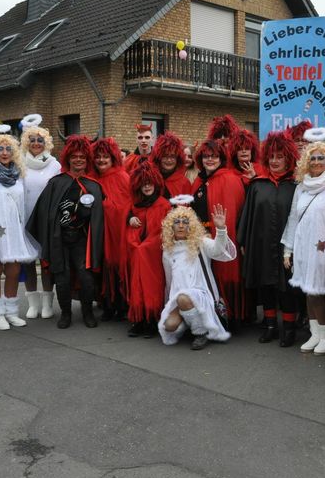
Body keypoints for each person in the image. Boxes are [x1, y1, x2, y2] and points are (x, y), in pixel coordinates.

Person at [26, 135, 104, 329]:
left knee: (86, 278)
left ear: (87, 160)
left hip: (82, 240)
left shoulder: (93, 186)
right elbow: (42, 213)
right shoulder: (56, 183)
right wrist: (49, 235)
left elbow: (99, 219)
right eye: (74, 156)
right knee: (62, 277)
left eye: (82, 157)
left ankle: (87, 313)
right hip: (59, 238)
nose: (78, 160)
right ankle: (66, 314)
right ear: (68, 158)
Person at [281, 141, 325, 354]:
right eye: (313, 158)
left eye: (321, 158)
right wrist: (287, 249)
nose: (317, 162)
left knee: (316, 292)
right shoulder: (301, 188)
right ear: (306, 163)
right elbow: (293, 218)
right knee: (307, 292)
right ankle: (314, 333)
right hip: (302, 247)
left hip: (323, 249)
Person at [237, 131, 300, 346]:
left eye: (280, 156)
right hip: (262, 244)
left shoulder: (296, 187)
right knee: (265, 285)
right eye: (271, 157)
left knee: (287, 288)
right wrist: (244, 240)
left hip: (287, 247)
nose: (274, 161)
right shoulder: (257, 185)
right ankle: (271, 325)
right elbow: (248, 214)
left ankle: (289, 329)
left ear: (288, 158)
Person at [0, 128, 39, 330]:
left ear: (14, 152)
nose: (4, 152)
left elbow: (22, 205)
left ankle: (11, 312)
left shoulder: (19, 176)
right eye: (0, 149)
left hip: (13, 230)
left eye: (8, 149)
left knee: (13, 270)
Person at [159, 201, 237, 349]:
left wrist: (221, 229)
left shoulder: (200, 243)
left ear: (191, 226)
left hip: (202, 294)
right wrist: (169, 305)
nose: (181, 225)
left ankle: (200, 332)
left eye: (185, 222)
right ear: (171, 227)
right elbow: (169, 281)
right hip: (179, 298)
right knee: (169, 326)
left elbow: (217, 250)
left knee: (184, 298)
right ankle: (193, 321)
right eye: (177, 222)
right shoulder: (167, 251)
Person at [192, 139, 246, 325]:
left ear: (221, 158)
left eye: (214, 156)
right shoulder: (199, 180)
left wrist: (219, 234)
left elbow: (233, 214)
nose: (210, 160)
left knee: (224, 274)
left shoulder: (229, 179)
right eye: (206, 156)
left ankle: (229, 317)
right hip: (202, 238)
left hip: (222, 235)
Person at [20, 116, 61, 320]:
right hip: (25, 218)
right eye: (33, 140)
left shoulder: (54, 165)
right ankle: (32, 304)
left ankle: (47, 303)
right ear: (27, 142)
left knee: (46, 262)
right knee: (28, 261)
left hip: (46, 220)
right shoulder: (20, 164)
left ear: (46, 143)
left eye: (40, 140)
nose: (36, 143)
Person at [124, 162, 172, 337]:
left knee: (153, 287)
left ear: (156, 183)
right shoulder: (135, 205)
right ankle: (139, 319)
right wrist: (130, 220)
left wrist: (144, 247)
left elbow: (162, 232)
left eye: (150, 182)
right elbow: (130, 226)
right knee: (137, 286)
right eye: (143, 183)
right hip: (138, 254)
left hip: (153, 256)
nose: (147, 186)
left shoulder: (163, 204)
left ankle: (152, 320)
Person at [91, 137, 131, 321]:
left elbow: (128, 205)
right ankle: (107, 304)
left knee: (117, 267)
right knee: (104, 266)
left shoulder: (122, 177)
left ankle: (121, 305)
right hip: (101, 231)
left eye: (105, 156)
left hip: (118, 232)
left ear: (112, 157)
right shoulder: (93, 178)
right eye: (98, 156)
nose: (101, 160)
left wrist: (109, 207)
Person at [151, 131, 192, 198]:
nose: (169, 160)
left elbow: (187, 206)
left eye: (172, 156)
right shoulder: (151, 179)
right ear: (158, 157)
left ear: (178, 159)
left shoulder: (184, 183)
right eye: (165, 156)